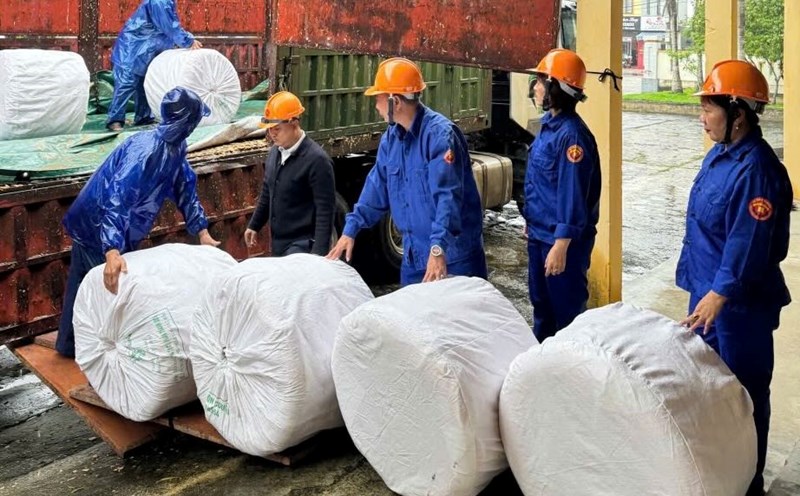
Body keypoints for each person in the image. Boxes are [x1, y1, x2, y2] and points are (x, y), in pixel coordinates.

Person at [677, 60, 792, 496]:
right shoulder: (720, 155)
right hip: (707, 299)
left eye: (709, 108)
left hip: (738, 310)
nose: (702, 117)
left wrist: (719, 294)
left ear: (738, 114)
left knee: (743, 399)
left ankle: (749, 483)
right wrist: (701, 292)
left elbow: (749, 243)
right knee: (709, 394)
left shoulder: (757, 170)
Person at [56, 87, 220, 358]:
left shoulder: (175, 147)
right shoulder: (145, 151)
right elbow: (118, 196)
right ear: (186, 121)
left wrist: (201, 231)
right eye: (194, 119)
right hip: (97, 224)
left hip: (115, 226)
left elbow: (185, 188)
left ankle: (73, 346)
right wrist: (111, 249)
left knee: (95, 286)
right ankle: (90, 355)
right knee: (102, 290)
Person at [326, 57, 487, 285]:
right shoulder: (391, 139)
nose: (376, 105)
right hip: (415, 256)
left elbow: (448, 197)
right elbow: (376, 188)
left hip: (452, 256)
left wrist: (438, 248)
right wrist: (350, 230)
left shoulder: (439, 136)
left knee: (458, 319)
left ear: (395, 102)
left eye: (379, 98)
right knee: (415, 319)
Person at [523, 48, 601, 342]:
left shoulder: (572, 136)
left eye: (542, 81)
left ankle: (570, 378)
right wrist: (531, 222)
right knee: (542, 309)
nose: (536, 88)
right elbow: (543, 185)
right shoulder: (549, 127)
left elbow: (573, 195)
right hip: (541, 236)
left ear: (557, 88)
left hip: (561, 244)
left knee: (566, 316)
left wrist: (562, 244)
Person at [244, 91, 336, 256]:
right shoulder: (275, 153)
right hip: (279, 244)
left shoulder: (317, 160)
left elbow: (325, 212)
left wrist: (318, 257)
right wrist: (254, 224)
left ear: (294, 123)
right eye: (269, 129)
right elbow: (267, 191)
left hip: (302, 247)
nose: (272, 134)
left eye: (277, 128)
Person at [106, 0, 202, 132]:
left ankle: (143, 117)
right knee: (126, 82)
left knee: (145, 82)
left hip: (147, 46)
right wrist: (187, 40)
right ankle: (115, 120)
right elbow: (168, 25)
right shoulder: (160, 1)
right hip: (133, 47)